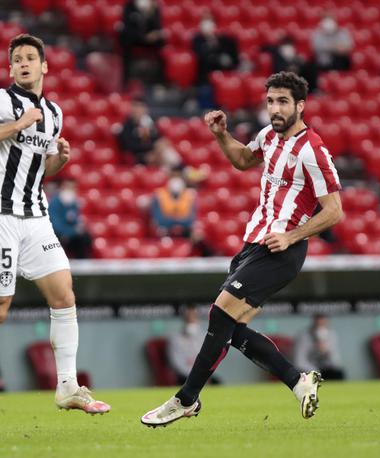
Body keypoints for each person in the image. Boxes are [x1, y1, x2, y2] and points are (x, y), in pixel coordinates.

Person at [141, 71, 343, 427]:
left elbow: (334, 210)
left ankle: (186, 399)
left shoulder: (312, 149)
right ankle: (298, 381)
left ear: (300, 105)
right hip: (254, 243)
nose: (275, 109)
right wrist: (221, 134)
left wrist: (293, 236)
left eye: (283, 101)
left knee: (220, 316)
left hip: (282, 248)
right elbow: (243, 160)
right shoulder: (267, 136)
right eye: (270, 101)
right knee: (228, 328)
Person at [0, 34, 110, 433]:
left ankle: (67, 386)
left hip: (36, 216)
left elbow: (37, 171)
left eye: (30, 58)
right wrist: (18, 124)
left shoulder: (54, 112)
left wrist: (58, 161)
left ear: (44, 66)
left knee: (63, 294)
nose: (23, 64)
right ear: (10, 69)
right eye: (17, 59)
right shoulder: (0, 101)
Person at [117, 98, 180, 168]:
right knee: (159, 156)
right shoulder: (127, 126)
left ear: (146, 110)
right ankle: (179, 170)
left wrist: (160, 145)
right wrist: (152, 148)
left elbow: (157, 138)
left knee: (166, 150)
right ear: (131, 109)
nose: (138, 110)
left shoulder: (149, 123)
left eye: (141, 107)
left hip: (155, 154)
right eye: (136, 106)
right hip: (138, 157)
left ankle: (179, 169)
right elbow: (128, 146)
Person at [168, 306, 221, 386]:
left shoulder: (206, 337)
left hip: (203, 374)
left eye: (194, 317)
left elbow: (211, 359)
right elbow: (176, 363)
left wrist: (203, 375)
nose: (191, 320)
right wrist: (194, 375)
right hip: (185, 376)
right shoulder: (176, 339)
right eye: (188, 318)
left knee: (216, 383)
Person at [118, 0, 165, 85]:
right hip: (134, 38)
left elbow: (157, 27)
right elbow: (127, 26)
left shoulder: (154, 6)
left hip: (150, 38)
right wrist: (143, 37)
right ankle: (125, 79)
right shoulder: (129, 6)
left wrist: (150, 14)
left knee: (161, 42)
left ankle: (160, 80)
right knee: (125, 39)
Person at [191, 12, 240, 85]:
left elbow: (231, 56)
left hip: (223, 73)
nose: (207, 24)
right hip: (205, 77)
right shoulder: (197, 39)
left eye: (209, 21)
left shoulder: (223, 39)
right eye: (204, 21)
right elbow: (200, 56)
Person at [49, 178, 92, 259]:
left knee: (85, 238)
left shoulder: (74, 202)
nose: (71, 190)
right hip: (60, 235)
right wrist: (73, 231)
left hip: (72, 236)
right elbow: (55, 226)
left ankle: (82, 263)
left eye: (73, 188)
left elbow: (76, 220)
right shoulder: (55, 202)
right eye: (68, 187)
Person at [294, 314, 345, 380]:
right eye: (318, 323)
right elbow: (299, 361)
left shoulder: (332, 335)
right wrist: (316, 371)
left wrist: (326, 352)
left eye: (323, 323)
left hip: (326, 370)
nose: (321, 325)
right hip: (309, 370)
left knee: (338, 374)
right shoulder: (304, 336)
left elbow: (336, 361)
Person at [150, 167, 197, 237]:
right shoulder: (159, 194)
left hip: (185, 228)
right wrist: (173, 222)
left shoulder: (190, 195)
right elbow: (157, 218)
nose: (176, 180)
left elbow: (191, 218)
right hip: (164, 228)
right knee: (161, 231)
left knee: (195, 235)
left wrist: (179, 223)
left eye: (178, 176)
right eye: (173, 176)